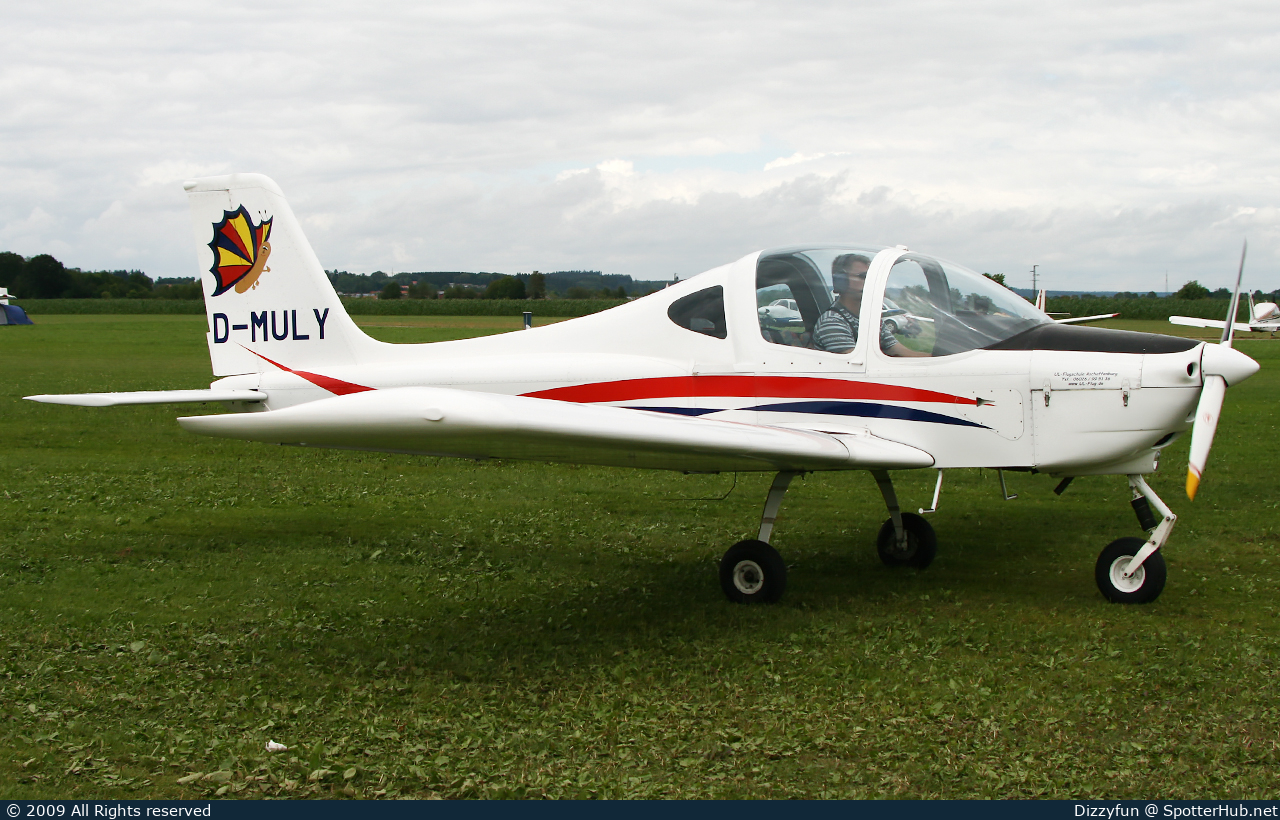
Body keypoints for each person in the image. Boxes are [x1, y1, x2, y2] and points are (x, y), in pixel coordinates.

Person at [812, 254, 927, 356]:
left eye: (871, 277)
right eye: (863, 276)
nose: (870, 281)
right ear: (841, 281)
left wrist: (936, 357)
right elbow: (858, 365)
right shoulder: (832, 321)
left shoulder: (870, 318)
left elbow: (896, 350)